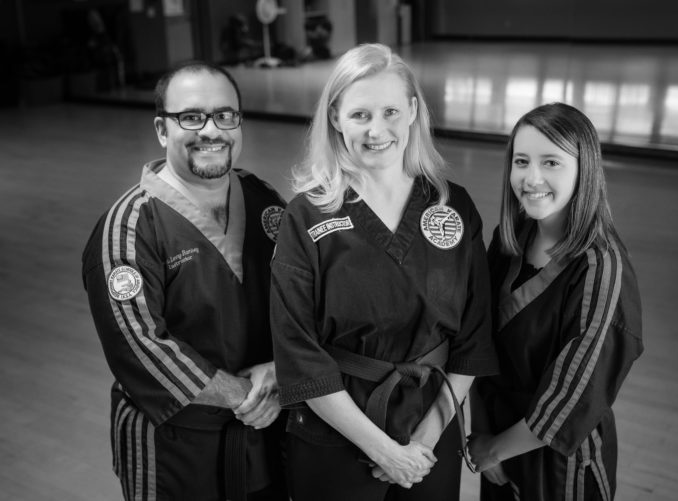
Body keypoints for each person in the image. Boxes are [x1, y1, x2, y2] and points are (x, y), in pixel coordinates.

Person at [269, 43, 498, 501]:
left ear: (413, 111)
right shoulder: (306, 216)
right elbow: (298, 352)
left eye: (391, 111)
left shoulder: (452, 207)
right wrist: (385, 451)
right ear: (335, 117)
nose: (377, 131)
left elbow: (473, 336)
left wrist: (422, 442)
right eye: (360, 115)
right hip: (336, 430)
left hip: (431, 422)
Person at [81, 61, 288, 501]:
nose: (211, 131)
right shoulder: (129, 229)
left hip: (267, 431)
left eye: (225, 115)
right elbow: (141, 348)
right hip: (177, 448)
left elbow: (303, 301)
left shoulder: (265, 200)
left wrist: (281, 370)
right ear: (162, 129)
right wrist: (245, 395)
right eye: (191, 117)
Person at [468, 102, 643, 501]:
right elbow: (477, 340)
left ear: (585, 171)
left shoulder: (601, 268)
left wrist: (493, 450)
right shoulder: (512, 238)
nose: (532, 178)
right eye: (521, 161)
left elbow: (577, 395)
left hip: (561, 462)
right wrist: (483, 434)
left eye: (551, 163)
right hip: (495, 442)